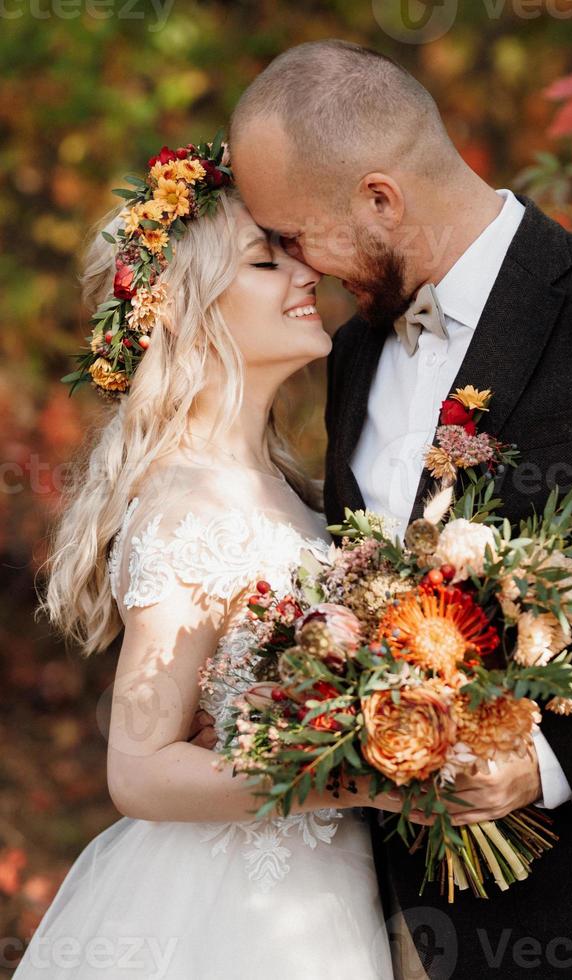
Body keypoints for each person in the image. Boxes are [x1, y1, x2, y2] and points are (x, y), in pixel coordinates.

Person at [225, 39, 572, 980]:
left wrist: (548, 760)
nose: (296, 266)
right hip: (382, 923)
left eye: (294, 235)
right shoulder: (352, 359)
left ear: (381, 199)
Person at [15, 149, 400, 978]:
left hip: (328, 895)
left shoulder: (292, 487)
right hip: (237, 923)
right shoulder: (188, 508)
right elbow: (142, 770)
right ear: (189, 314)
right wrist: (368, 776)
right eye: (266, 261)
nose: (305, 273)